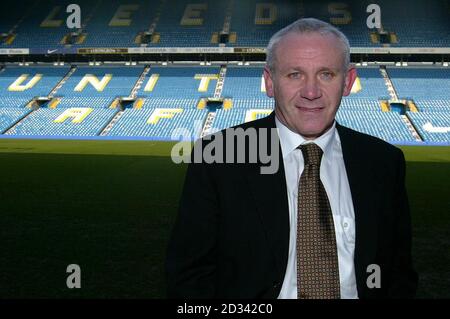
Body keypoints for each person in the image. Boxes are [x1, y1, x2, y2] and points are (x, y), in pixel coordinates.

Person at [166, 18, 418, 299]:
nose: (311, 92)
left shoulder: (384, 162)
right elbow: (189, 277)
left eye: (326, 74)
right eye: (294, 75)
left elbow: (397, 274)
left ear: (348, 82)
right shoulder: (217, 157)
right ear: (270, 82)